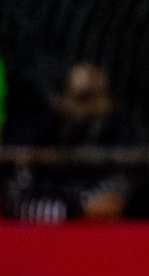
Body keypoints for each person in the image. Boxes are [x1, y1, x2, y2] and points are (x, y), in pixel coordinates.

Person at [2, 63, 141, 222]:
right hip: (48, 217)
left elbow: (111, 204)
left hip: (96, 225)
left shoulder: (120, 134)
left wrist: (83, 207)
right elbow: (14, 201)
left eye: (95, 96)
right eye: (82, 97)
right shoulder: (43, 129)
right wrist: (74, 208)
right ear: (64, 96)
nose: (91, 106)